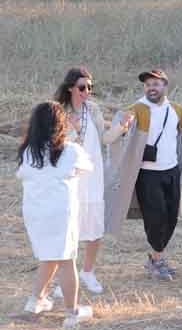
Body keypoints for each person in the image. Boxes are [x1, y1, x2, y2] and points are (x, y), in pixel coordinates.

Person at [106, 70, 182, 281]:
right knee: (156, 218)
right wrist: (121, 126)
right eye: (147, 85)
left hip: (171, 172)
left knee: (171, 217)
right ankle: (157, 262)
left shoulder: (176, 111)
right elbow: (111, 138)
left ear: (165, 86)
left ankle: (156, 258)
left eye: (156, 84)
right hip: (147, 175)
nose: (151, 88)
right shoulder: (135, 111)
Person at [53, 67, 132, 294]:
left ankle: (88, 272)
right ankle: (65, 279)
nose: (87, 91)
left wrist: (122, 127)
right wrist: (74, 130)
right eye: (82, 87)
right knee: (69, 227)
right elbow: (57, 145)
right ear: (70, 88)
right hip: (71, 176)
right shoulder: (59, 111)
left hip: (94, 175)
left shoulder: (93, 109)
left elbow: (104, 138)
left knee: (95, 227)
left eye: (90, 87)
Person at [16, 101, 94, 328]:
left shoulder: (28, 152)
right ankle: (72, 312)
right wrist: (75, 135)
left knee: (49, 255)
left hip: (35, 213)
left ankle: (36, 301)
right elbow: (87, 167)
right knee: (66, 259)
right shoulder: (70, 150)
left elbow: (22, 174)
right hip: (61, 213)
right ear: (61, 125)